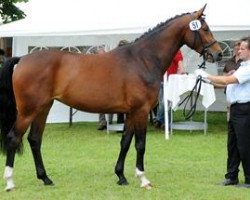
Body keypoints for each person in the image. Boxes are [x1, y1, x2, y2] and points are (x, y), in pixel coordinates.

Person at [195, 36, 250, 188]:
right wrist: (207, 81)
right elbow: (226, 84)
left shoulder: (249, 68)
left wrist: (206, 75)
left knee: (245, 145)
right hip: (235, 109)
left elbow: (227, 81)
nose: (239, 50)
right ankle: (231, 177)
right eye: (240, 48)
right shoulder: (242, 66)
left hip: (245, 109)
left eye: (243, 48)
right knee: (232, 145)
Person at [97, 40, 129, 131]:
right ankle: (105, 122)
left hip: (122, 88)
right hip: (110, 86)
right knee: (104, 97)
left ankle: (117, 122)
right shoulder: (112, 57)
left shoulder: (128, 60)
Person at [154, 50, 186, 130]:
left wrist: (180, 74)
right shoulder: (159, 50)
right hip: (160, 80)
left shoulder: (176, 51)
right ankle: (162, 121)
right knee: (162, 103)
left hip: (170, 81)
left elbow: (181, 66)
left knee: (167, 102)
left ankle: (161, 121)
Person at [223, 41, 242, 121]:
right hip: (229, 89)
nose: (237, 49)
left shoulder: (246, 61)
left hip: (240, 89)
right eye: (235, 47)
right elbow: (224, 75)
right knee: (229, 107)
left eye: (239, 47)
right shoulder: (229, 61)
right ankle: (230, 122)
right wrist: (229, 74)